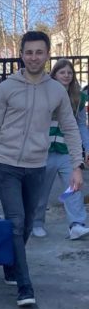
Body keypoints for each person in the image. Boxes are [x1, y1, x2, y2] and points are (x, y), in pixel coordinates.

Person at [0, 32, 84, 308]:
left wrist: (77, 166)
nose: (34, 57)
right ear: (21, 54)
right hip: (5, 164)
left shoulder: (56, 90)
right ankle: (25, 286)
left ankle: (10, 263)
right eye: (29, 52)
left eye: (39, 52)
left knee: (28, 224)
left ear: (47, 55)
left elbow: (70, 128)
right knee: (16, 221)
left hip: (36, 166)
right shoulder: (6, 87)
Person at [31, 58, 89, 240]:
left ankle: (76, 225)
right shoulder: (44, 93)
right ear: (54, 74)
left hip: (67, 152)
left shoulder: (79, 98)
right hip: (44, 151)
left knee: (73, 187)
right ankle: (36, 223)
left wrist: (87, 147)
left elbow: (81, 125)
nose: (66, 75)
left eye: (69, 73)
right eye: (62, 72)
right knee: (41, 190)